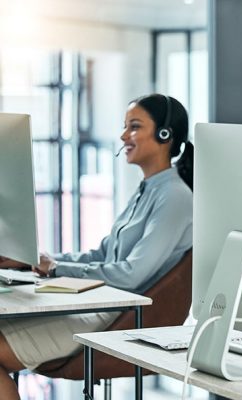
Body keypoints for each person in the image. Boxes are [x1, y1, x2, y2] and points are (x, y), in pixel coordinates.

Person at [0, 93, 194, 399]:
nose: (122, 135)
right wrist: (43, 260)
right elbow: (103, 254)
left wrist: (57, 268)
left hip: (118, 315)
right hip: (104, 304)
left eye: (133, 126)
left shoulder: (175, 197)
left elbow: (131, 275)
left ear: (164, 135)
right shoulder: (147, 190)